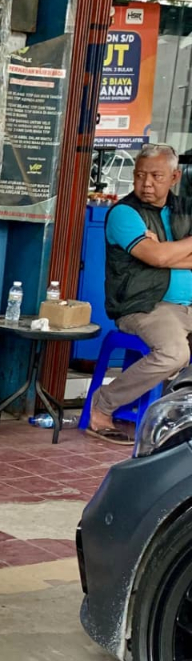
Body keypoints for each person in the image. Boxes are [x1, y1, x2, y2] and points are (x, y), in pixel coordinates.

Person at [92, 144, 192, 444]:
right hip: (144, 305)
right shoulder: (124, 213)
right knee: (174, 354)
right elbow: (156, 258)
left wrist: (166, 251)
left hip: (187, 306)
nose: (146, 183)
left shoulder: (185, 208)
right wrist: (165, 252)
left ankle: (178, 413)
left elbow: (161, 255)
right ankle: (103, 404)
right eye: (139, 175)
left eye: (156, 176)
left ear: (174, 177)